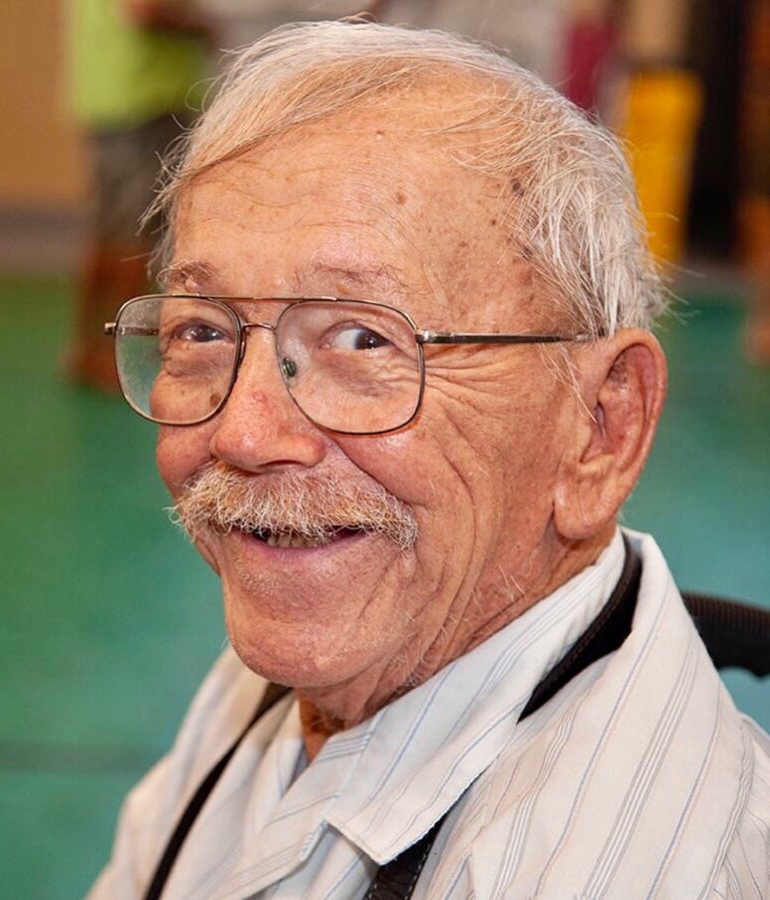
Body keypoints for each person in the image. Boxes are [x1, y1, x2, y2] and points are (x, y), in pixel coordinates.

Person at [89, 22, 768, 899]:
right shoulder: (327, 638)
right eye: (202, 330)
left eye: (364, 338)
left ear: (600, 427)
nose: (245, 434)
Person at [66, 0, 213, 391]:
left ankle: (86, 347)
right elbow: (144, 11)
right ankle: (118, 355)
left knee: (108, 231)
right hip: (147, 100)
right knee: (137, 235)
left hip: (110, 95)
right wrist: (202, 26)